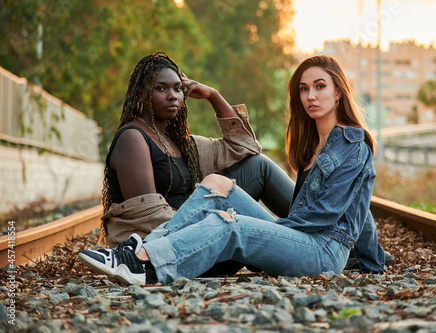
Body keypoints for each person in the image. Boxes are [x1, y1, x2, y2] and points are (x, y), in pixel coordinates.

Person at [79, 55, 387, 286]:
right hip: (304, 239)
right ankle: (141, 253)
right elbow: (362, 210)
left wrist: (271, 229)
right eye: (304, 89)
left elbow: (325, 216)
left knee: (228, 223)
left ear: (337, 92)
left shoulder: (351, 144)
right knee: (215, 185)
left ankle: (145, 267)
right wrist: (373, 260)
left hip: (322, 251)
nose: (311, 96)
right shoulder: (314, 143)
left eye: (320, 87)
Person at [99, 52, 294, 275]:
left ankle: (310, 232)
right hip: (170, 251)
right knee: (258, 232)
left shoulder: (181, 144)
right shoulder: (132, 138)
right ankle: (300, 246)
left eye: (177, 88)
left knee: (258, 166)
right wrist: (213, 223)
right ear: (141, 95)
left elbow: (245, 147)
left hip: (199, 235)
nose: (172, 95)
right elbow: (152, 221)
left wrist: (213, 96)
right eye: (161, 88)